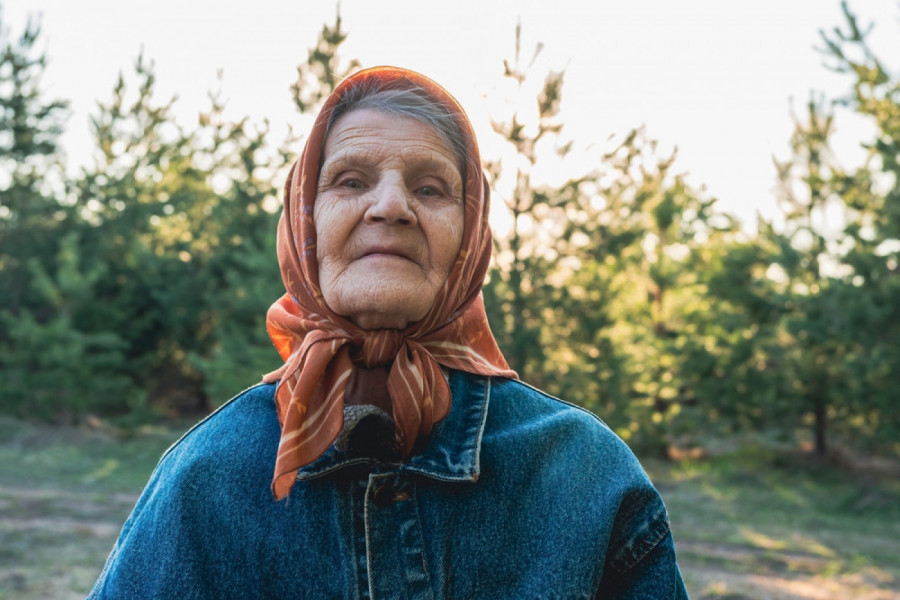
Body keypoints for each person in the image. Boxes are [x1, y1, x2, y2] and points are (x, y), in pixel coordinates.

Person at [89, 66, 689, 599]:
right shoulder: (207, 474)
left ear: (469, 236)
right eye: (351, 181)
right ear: (306, 224)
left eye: (430, 188)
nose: (392, 206)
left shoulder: (583, 474)